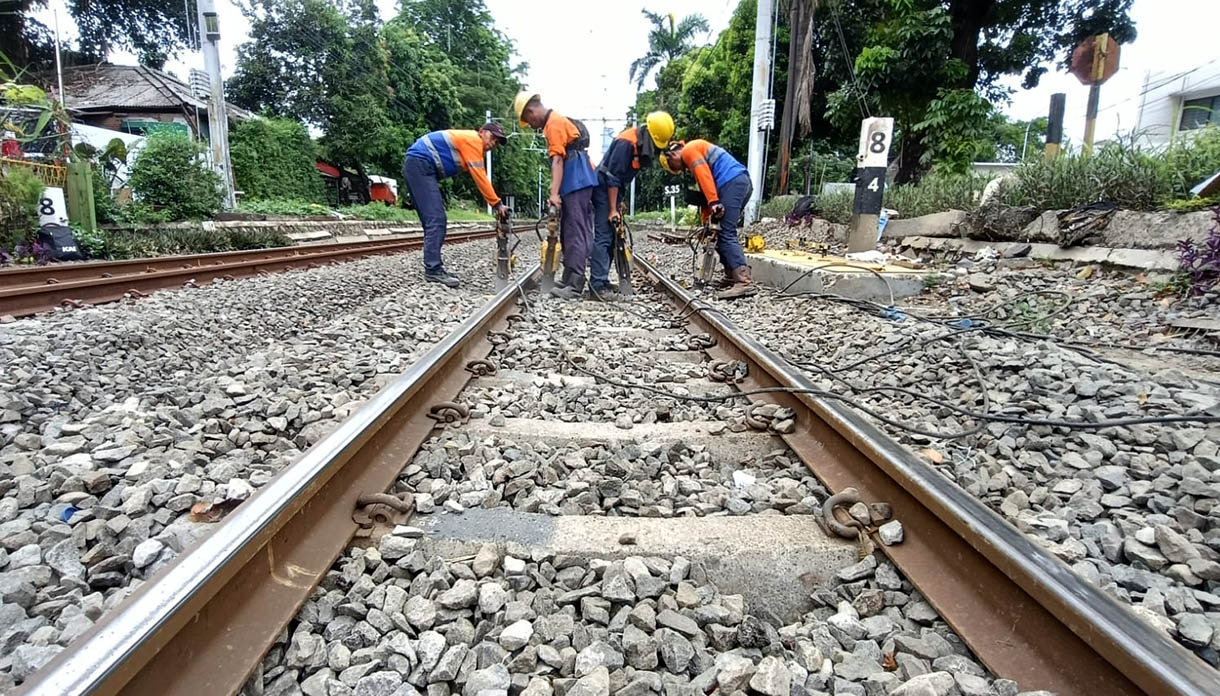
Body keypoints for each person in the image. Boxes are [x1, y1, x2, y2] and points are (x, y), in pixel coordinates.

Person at [403, 123, 511, 288]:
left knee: (433, 220)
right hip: (420, 165)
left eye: (497, 142)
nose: (493, 143)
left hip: (419, 166)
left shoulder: (470, 143)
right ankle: (433, 270)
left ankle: (433, 265)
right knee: (436, 220)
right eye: (492, 138)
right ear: (481, 132)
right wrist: (497, 204)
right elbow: (480, 178)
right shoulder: (474, 141)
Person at [513, 91, 598, 299]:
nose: (531, 125)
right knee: (569, 230)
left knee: (575, 230)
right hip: (576, 178)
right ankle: (568, 276)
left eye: (528, 121)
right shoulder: (555, 122)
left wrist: (554, 194)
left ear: (531, 111)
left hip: (576, 179)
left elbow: (558, 161)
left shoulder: (554, 124)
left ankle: (575, 283)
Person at [588, 111, 674, 300]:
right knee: (604, 236)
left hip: (613, 191)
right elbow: (612, 177)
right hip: (603, 189)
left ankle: (602, 281)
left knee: (612, 237)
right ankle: (597, 285)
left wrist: (619, 201)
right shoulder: (626, 143)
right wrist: (612, 208)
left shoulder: (639, 143)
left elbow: (622, 179)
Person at [660, 139, 757, 299]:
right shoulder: (695, 151)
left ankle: (744, 282)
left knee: (725, 233)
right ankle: (731, 275)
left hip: (732, 182)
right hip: (737, 183)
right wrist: (706, 224)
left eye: (674, 167)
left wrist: (714, 202)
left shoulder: (689, 150)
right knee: (717, 232)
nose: (680, 169)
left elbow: (704, 176)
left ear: (672, 155)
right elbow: (705, 191)